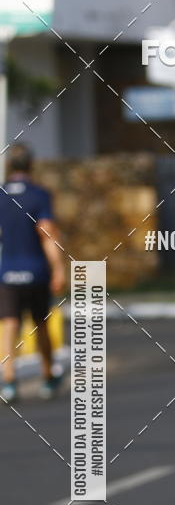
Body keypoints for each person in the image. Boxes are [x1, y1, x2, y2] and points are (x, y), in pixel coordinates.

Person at [0, 143, 65, 403]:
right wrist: (58, 268)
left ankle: (9, 380)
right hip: (36, 271)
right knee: (41, 325)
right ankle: (48, 378)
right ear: (30, 165)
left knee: (9, 325)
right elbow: (47, 232)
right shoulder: (40, 195)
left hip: (7, 273)